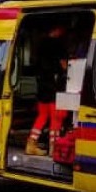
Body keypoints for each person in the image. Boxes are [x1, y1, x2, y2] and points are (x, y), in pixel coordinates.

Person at [26, 25, 68, 156]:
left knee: (42, 115)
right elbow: (64, 65)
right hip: (53, 85)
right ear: (58, 30)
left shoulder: (39, 44)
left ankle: (31, 144)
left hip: (42, 85)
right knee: (57, 117)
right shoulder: (58, 44)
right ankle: (53, 148)